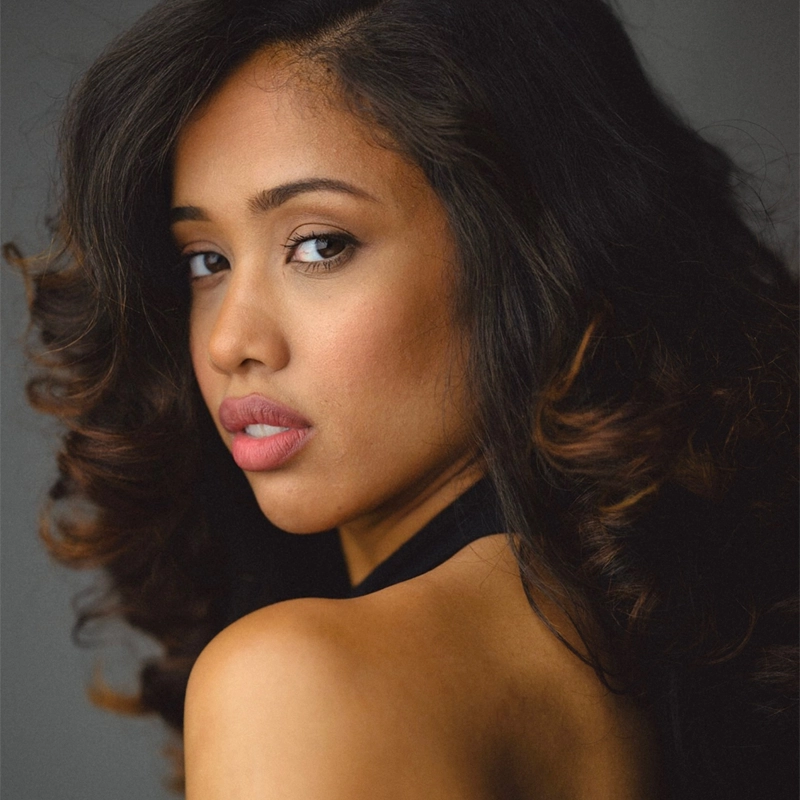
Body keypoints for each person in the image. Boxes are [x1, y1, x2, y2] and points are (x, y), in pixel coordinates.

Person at [12, 0, 797, 797]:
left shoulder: (297, 681)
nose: (229, 341)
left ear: (524, 255)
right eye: (206, 260)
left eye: (320, 245)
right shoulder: (654, 639)